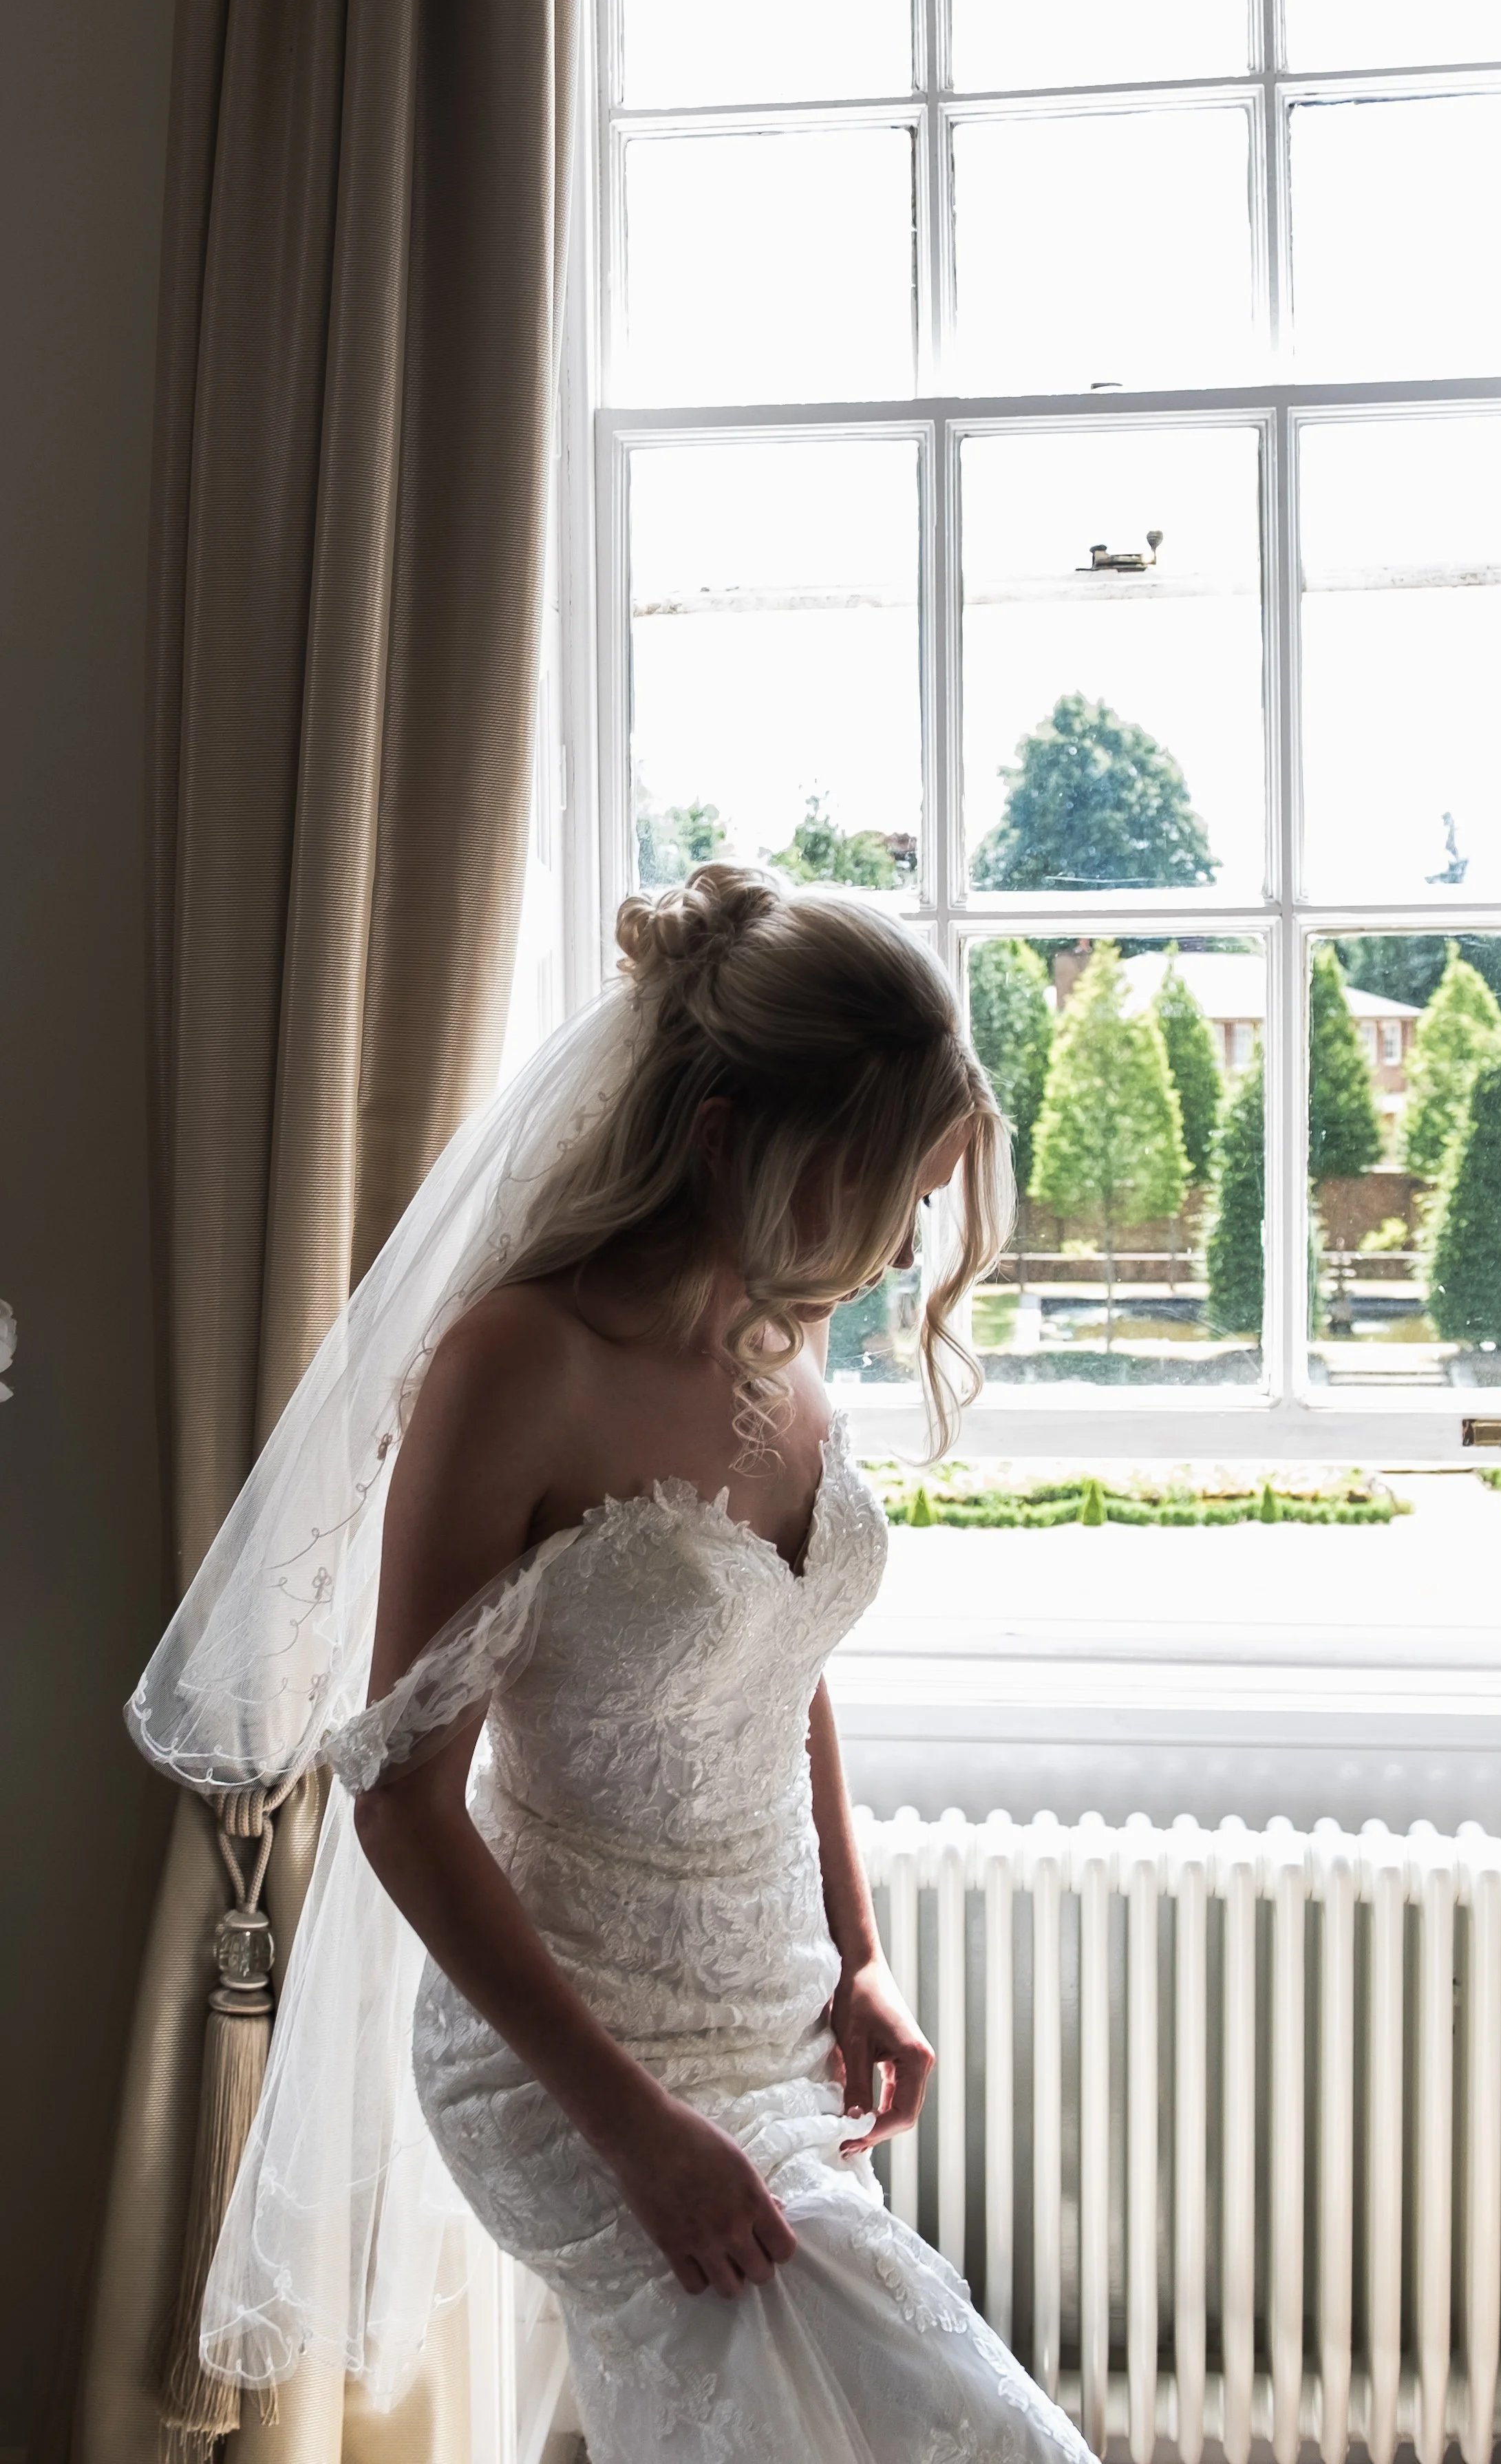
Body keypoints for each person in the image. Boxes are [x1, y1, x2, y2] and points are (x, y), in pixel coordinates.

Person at [128, 864, 1095, 2461]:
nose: (904, 1239)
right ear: (732, 1139)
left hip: (771, 2006)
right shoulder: (521, 1362)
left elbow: (782, 1663)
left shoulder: (788, 1337)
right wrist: (640, 2133)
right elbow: (401, 1803)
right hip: (564, 2047)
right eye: (884, 1189)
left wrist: (861, 1952)